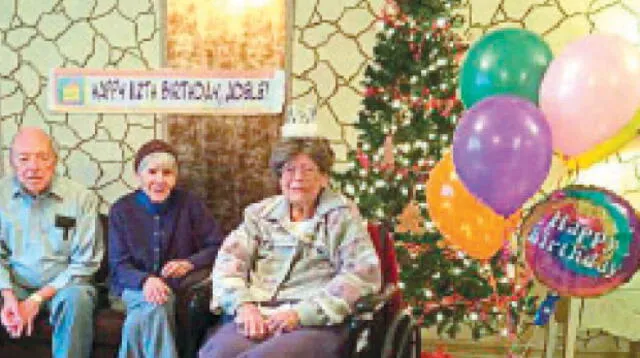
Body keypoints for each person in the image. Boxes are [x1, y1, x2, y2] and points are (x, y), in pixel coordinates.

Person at [199, 137, 382, 358]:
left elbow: (360, 274)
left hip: (315, 322)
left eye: (308, 170)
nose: (297, 178)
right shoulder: (260, 215)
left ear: (324, 177)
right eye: (289, 170)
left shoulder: (341, 216)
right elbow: (228, 264)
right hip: (258, 313)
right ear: (280, 176)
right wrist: (244, 306)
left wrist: (301, 313)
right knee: (216, 353)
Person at [109, 139, 223, 358]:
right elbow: (118, 264)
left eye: (167, 173)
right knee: (157, 305)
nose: (159, 180)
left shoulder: (190, 205)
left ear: (175, 176)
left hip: (174, 287)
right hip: (130, 287)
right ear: (139, 176)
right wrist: (145, 280)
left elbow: (218, 245)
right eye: (152, 172)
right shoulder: (121, 210)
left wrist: (189, 263)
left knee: (139, 319)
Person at [0, 127, 103, 358]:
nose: (33, 167)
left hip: (65, 288)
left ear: (55, 161)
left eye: (42, 157)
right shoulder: (1, 196)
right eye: (24, 159)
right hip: (16, 284)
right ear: (12, 163)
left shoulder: (81, 198)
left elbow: (86, 263)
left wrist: (36, 299)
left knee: (77, 298)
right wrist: (8, 296)